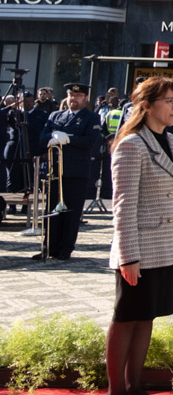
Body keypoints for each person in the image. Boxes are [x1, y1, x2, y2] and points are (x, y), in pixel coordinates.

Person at [104, 77, 173, 395]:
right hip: (139, 246)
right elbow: (123, 205)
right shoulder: (131, 144)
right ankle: (115, 392)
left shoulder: (170, 140)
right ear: (147, 105)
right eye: (169, 100)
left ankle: (135, 387)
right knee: (126, 317)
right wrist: (128, 255)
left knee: (146, 316)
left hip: (164, 245)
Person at [36, 82, 108, 261]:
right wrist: (51, 137)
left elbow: (91, 141)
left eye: (77, 96)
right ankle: (48, 247)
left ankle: (65, 249)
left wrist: (69, 138)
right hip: (55, 170)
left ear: (84, 98)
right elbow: (42, 137)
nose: (73, 99)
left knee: (71, 213)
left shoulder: (91, 117)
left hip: (76, 171)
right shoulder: (56, 115)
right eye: (70, 96)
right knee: (52, 211)